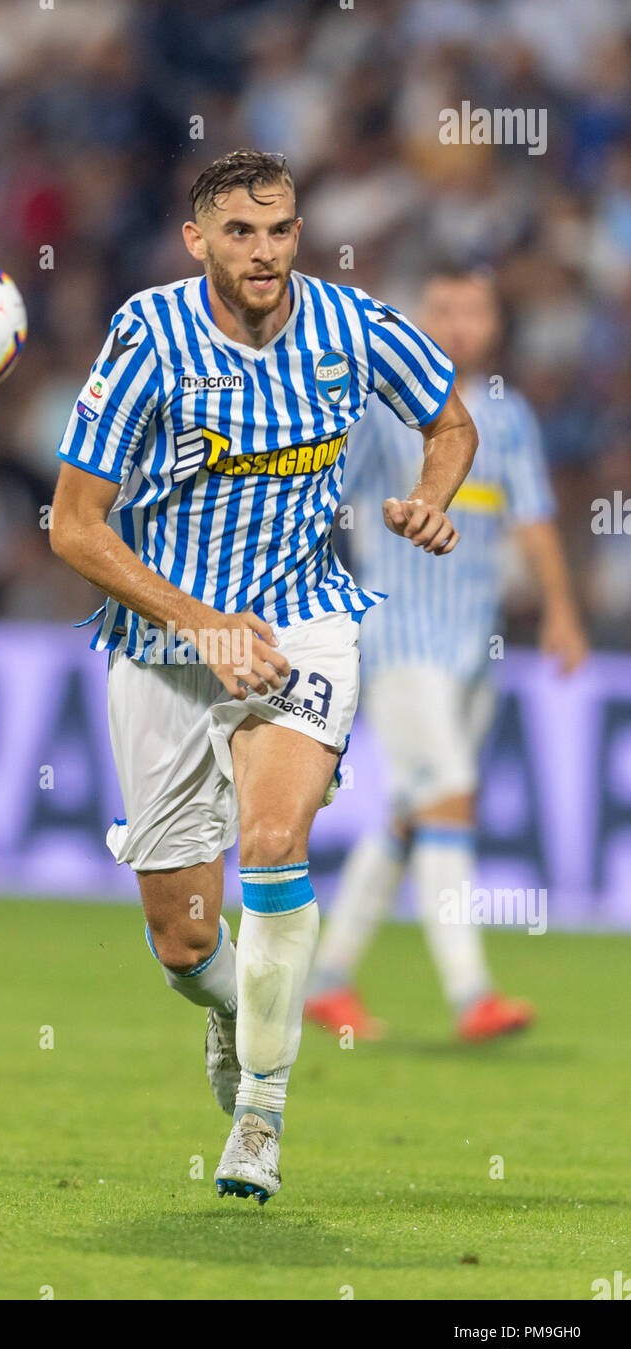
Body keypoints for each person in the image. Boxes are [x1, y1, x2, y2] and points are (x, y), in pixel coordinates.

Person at [50, 151, 476, 1203]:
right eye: (238, 233)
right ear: (196, 241)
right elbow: (72, 525)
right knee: (185, 939)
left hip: (301, 623)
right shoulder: (148, 337)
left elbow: (448, 419)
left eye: (278, 229)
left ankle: (260, 1117)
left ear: (297, 231)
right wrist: (200, 623)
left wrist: (432, 494)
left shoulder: (351, 327)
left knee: (275, 840)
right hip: (165, 638)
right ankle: (238, 1008)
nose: (263, 251)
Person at [305, 268, 588, 1044]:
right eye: (443, 309)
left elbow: (532, 519)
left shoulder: (511, 416)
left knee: (412, 810)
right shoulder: (375, 414)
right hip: (398, 635)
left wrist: (561, 611)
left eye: (473, 310)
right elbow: (320, 501)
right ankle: (472, 995)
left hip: (475, 645)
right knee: (451, 791)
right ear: (418, 319)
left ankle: (329, 980)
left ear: (493, 323)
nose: (459, 324)